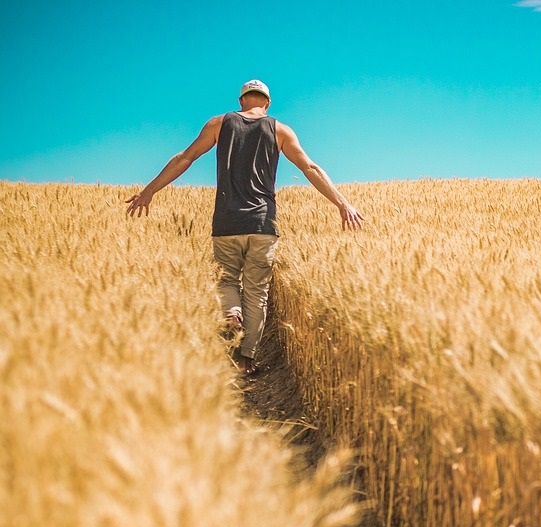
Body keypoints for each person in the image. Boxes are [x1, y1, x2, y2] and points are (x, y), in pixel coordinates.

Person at [125, 79, 364, 375]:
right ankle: (246, 359)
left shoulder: (218, 123)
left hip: (226, 221)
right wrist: (343, 204)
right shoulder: (280, 130)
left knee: (226, 281)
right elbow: (310, 168)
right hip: (263, 224)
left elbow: (185, 158)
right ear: (267, 103)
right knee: (257, 292)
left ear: (241, 101)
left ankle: (231, 312)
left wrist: (149, 190)